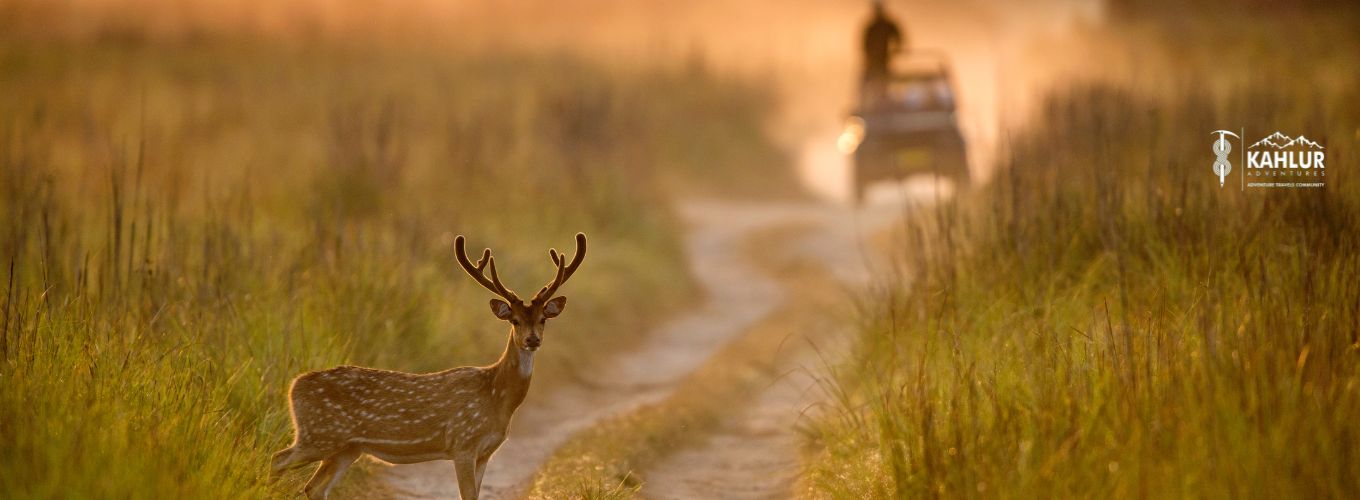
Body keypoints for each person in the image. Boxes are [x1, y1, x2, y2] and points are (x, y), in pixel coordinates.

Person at [861, 1, 904, 105]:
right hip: (874, 63)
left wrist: (896, 50)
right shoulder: (872, 27)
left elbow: (899, 38)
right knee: (868, 84)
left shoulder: (885, 25)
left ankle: (884, 102)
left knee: (884, 83)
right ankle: (874, 102)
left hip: (883, 61)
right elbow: (864, 45)